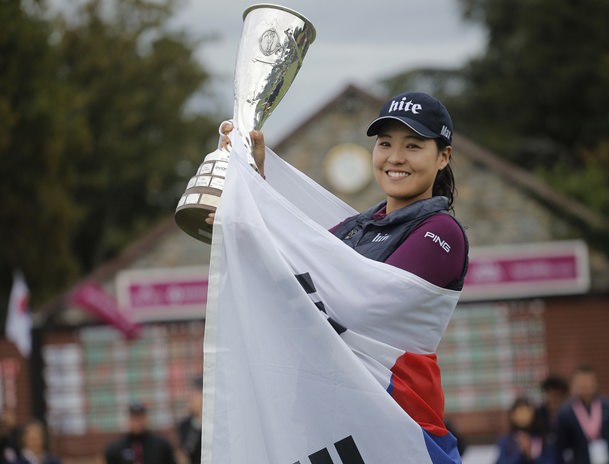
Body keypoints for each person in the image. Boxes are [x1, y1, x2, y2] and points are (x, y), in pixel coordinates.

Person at [209, 91, 469, 461]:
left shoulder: (442, 232)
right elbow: (288, 278)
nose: (395, 158)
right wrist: (248, 186)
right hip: (323, 423)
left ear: (443, 157)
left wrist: (254, 221)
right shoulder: (352, 228)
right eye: (385, 144)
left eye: (413, 146)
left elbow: (359, 302)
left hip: (400, 428)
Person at [555, 365, 609, 464]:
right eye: (582, 381)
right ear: (574, 383)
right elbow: (561, 447)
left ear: (596, 382)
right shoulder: (565, 412)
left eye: (589, 381)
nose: (586, 385)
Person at [104, 402, 176, 464]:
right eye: (134, 418)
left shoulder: (161, 445)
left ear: (146, 419)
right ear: (128, 420)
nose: (137, 422)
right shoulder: (115, 448)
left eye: (140, 417)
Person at [495, 397, 553, 464]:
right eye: (519, 412)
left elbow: (550, 461)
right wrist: (520, 452)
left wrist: (529, 452)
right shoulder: (506, 440)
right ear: (512, 416)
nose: (522, 415)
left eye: (525, 411)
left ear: (532, 413)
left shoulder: (541, 438)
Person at [535, 374, 570, 455]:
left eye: (558, 395)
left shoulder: (569, 415)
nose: (554, 399)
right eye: (551, 395)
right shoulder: (538, 414)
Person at [177, 377, 203, 464]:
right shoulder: (185, 425)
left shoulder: (214, 423)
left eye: (196, 395)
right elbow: (187, 451)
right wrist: (197, 421)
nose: (191, 399)